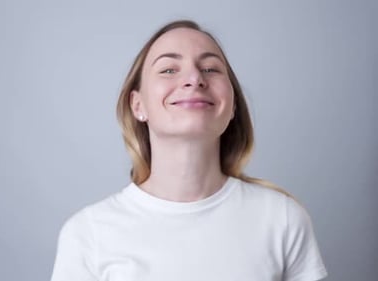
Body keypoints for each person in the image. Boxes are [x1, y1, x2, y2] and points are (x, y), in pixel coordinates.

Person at [50, 19, 328, 281]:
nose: (194, 78)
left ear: (231, 105)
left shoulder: (283, 218)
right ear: (138, 105)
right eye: (169, 69)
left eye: (210, 69)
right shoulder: (88, 233)